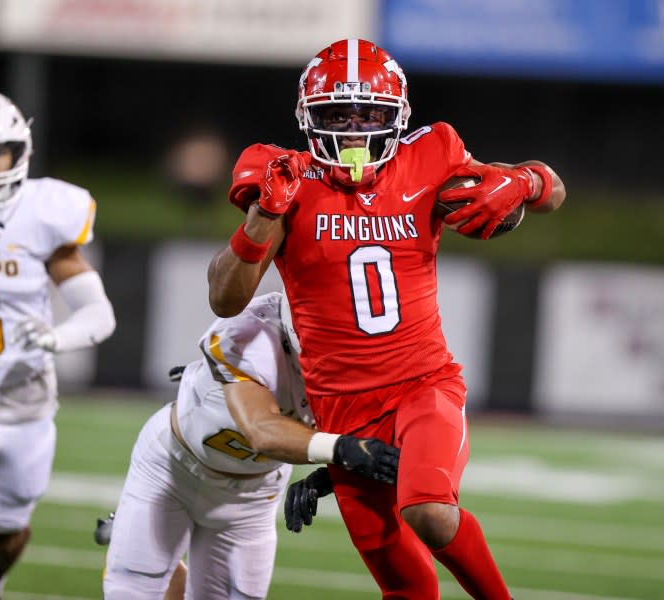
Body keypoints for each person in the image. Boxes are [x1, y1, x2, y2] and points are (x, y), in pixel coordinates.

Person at [207, 39, 566, 599]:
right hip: (340, 410)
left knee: (429, 511)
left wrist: (525, 180)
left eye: (367, 114)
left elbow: (552, 191)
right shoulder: (284, 178)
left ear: (396, 116)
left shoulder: (433, 154)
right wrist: (264, 214)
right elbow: (225, 300)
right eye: (337, 115)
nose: (352, 131)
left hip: (423, 385)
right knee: (405, 585)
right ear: (309, 120)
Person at [102, 291, 400, 600]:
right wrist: (341, 450)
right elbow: (263, 432)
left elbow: (372, 445)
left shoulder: (362, 362)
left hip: (253, 496)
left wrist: (327, 474)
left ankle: (147, 547)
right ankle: (146, 549)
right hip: (172, 469)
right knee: (131, 590)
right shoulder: (251, 335)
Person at [0, 86, 116, 600]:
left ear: (22, 151)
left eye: (0, 149)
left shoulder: (46, 210)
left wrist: (56, 336)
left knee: (7, 535)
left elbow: (98, 312)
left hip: (23, 401)